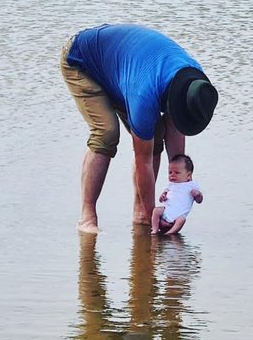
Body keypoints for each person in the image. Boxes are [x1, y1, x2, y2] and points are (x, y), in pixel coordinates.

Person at [60, 24, 218, 234]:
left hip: (124, 70)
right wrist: (155, 219)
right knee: (106, 133)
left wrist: (175, 207)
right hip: (82, 61)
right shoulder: (144, 95)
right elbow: (142, 160)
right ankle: (86, 217)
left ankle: (140, 214)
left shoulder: (196, 84)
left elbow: (177, 157)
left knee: (156, 135)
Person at [151, 153, 203, 235]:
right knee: (156, 211)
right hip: (166, 212)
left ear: (188, 175)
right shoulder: (170, 185)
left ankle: (170, 232)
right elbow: (162, 198)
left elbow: (199, 200)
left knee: (182, 219)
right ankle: (155, 229)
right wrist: (162, 197)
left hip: (178, 215)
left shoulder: (192, 185)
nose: (172, 175)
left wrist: (197, 195)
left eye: (177, 173)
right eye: (170, 172)